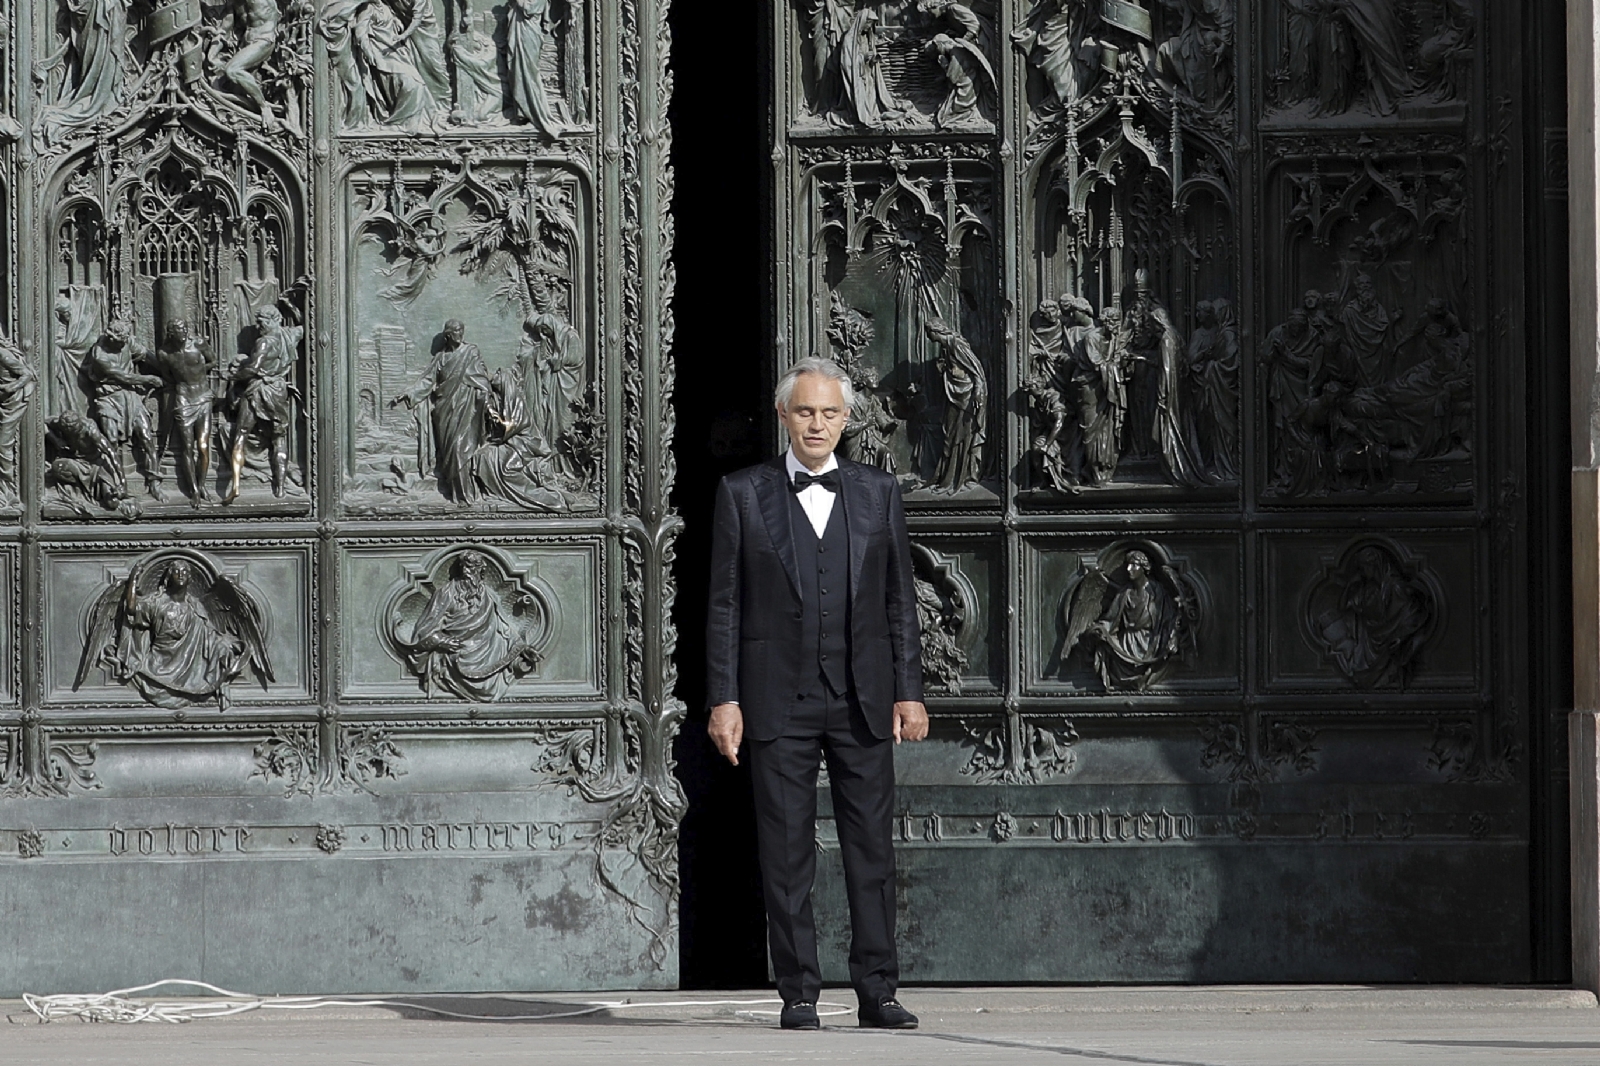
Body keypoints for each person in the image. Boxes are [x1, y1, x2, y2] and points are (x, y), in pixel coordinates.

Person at [706, 357, 928, 1032]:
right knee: (786, 853)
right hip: (778, 701)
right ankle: (798, 992)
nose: (818, 424)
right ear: (783, 416)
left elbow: (898, 602)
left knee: (872, 852)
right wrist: (724, 698)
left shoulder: (877, 492)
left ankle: (878, 990)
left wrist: (909, 691)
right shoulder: (742, 493)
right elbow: (725, 606)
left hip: (863, 698)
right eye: (805, 411)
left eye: (830, 413)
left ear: (846, 419)